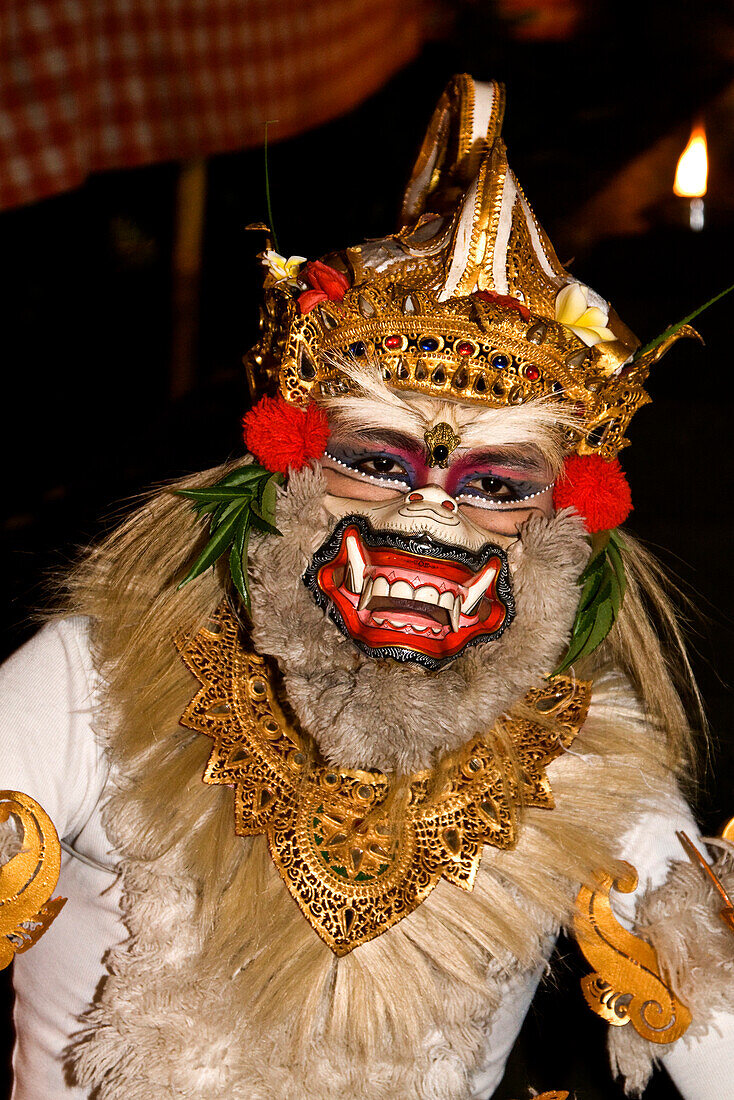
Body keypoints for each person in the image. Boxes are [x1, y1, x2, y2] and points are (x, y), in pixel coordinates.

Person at [1, 74, 733, 1100]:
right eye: (379, 463)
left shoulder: (584, 758)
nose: (427, 515)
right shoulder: (101, 679)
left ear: (560, 516)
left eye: (491, 485)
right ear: (289, 461)